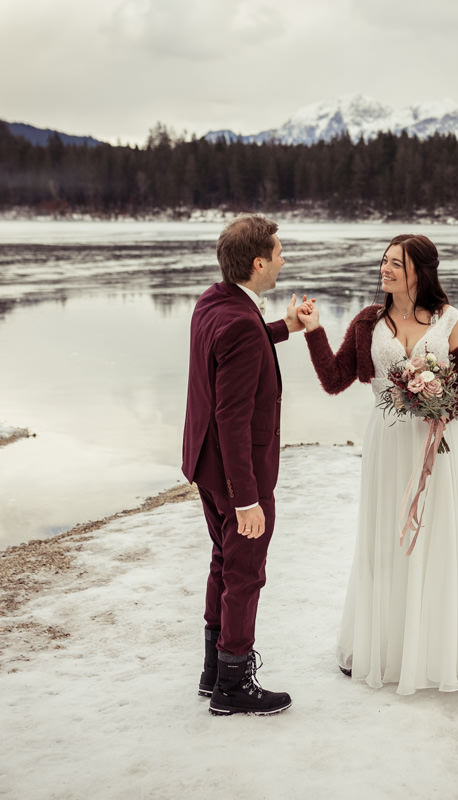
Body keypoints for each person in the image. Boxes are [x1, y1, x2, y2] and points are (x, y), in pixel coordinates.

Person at [297, 234, 458, 694]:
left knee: (442, 538)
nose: (386, 270)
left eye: (397, 263)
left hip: (439, 446)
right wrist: (313, 330)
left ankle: (457, 655)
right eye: (385, 261)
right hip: (387, 443)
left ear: (421, 272)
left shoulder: (451, 322)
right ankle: (384, 648)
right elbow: (334, 380)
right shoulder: (367, 321)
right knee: (386, 540)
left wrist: (437, 411)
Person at [181, 214, 311, 716]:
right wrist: (248, 500)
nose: (283, 259)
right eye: (279, 253)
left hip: (205, 464)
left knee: (223, 562)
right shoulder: (238, 320)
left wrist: (288, 326)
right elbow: (232, 417)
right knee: (245, 573)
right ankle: (233, 685)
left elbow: (244, 341)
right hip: (237, 473)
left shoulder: (215, 301)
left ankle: (214, 670)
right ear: (258, 263)